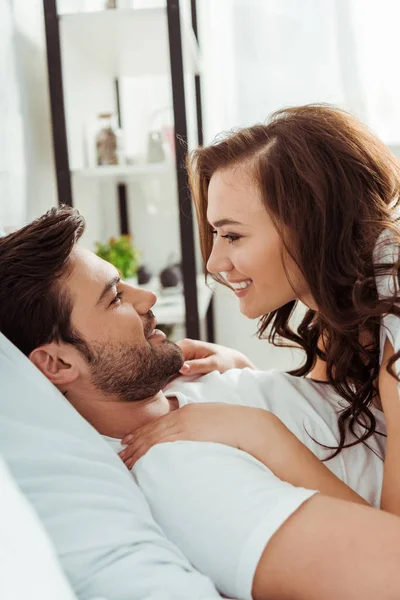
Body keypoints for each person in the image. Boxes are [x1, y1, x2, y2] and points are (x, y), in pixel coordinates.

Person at [2, 208, 400, 600]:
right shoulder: (181, 471)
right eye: (115, 297)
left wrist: (243, 372)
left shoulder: (187, 384)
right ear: (57, 363)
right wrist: (258, 428)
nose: (148, 297)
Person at [120, 104, 400, 521]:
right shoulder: (345, 309)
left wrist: (253, 429)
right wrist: (244, 374)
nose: (214, 262)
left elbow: (388, 545)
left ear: (311, 225)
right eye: (216, 234)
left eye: (233, 235)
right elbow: (328, 413)